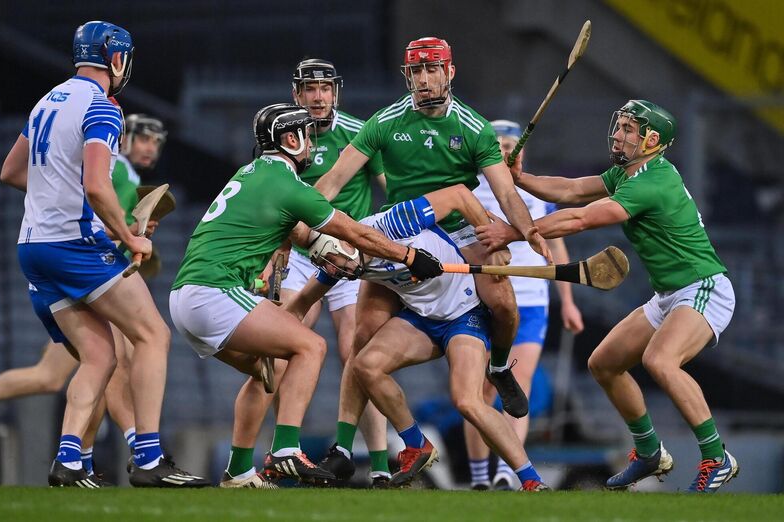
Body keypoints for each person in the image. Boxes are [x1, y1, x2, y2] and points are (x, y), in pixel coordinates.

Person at [168, 103, 443, 487]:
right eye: (307, 135)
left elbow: (294, 229)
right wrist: (409, 256)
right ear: (290, 139)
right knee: (311, 347)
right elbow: (357, 234)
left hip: (185, 298)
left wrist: (319, 252)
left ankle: (239, 470)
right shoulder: (289, 185)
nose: (312, 143)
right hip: (215, 293)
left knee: (271, 368)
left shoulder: (251, 172)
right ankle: (284, 449)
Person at [311, 37, 550, 476]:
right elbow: (331, 181)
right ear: (408, 76)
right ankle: (345, 450)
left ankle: (498, 365)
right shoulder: (385, 122)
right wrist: (291, 219)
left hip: (459, 227)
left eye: (432, 70)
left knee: (503, 303)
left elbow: (504, 193)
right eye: (416, 72)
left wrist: (526, 231)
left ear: (450, 72)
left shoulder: (474, 127)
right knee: (360, 340)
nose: (423, 79)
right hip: (404, 228)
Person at [476, 100, 739, 493]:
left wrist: (514, 232)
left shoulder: (652, 182)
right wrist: (521, 178)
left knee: (660, 361)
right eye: (620, 125)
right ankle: (649, 452)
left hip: (704, 287)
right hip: (668, 294)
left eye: (629, 130)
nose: (618, 134)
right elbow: (572, 190)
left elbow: (580, 218)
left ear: (651, 141)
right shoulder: (627, 173)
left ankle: (717, 456)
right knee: (603, 364)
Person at [0, 20, 207, 488]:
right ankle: (150, 460)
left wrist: (59, 194)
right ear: (116, 59)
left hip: (32, 248)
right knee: (153, 334)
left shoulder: (46, 100)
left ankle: (69, 461)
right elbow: (96, 185)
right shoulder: (103, 107)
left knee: (98, 355)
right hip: (73, 245)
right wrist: (131, 237)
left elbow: (11, 172)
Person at [284, 184, 550, 490]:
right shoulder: (340, 263)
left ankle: (531, 480)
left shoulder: (394, 222)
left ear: (346, 238)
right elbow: (300, 305)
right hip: (421, 318)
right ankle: (416, 444)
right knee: (364, 364)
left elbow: (459, 195)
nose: (337, 268)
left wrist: (493, 242)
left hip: (464, 314)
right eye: (325, 262)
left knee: (467, 401)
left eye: (333, 256)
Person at [0, 109, 169, 479]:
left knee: (55, 375)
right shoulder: (117, 171)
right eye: (143, 138)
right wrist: (134, 230)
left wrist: (132, 228)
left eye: (156, 141)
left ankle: (78, 460)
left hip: (67, 269)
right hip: (90, 278)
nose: (150, 147)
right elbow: (97, 224)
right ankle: (135, 449)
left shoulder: (121, 174)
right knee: (116, 362)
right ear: (123, 138)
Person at [280, 58, 390, 486]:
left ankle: (379, 466)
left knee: (357, 352)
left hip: (350, 255)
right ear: (297, 94)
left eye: (325, 88)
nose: (319, 96)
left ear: (336, 92)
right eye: (310, 88)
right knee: (284, 344)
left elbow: (391, 189)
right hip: (300, 252)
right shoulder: (282, 134)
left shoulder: (360, 133)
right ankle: (283, 454)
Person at [463, 120, 585, 491]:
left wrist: (567, 300)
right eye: (496, 144)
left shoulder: (534, 191)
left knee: (519, 387)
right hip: (487, 299)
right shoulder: (471, 188)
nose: (503, 150)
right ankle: (481, 477)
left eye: (510, 144)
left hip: (531, 300)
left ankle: (506, 470)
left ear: (520, 149)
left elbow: (556, 241)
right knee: (480, 392)